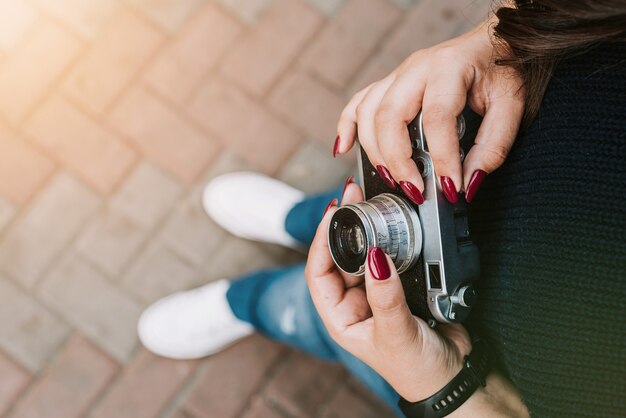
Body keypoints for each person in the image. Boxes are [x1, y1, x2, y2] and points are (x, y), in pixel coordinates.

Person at [138, 1, 626, 416]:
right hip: (446, 170)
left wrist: (441, 389)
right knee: (349, 214)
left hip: (452, 354)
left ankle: (251, 304)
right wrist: (504, 38)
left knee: (329, 314)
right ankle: (294, 220)